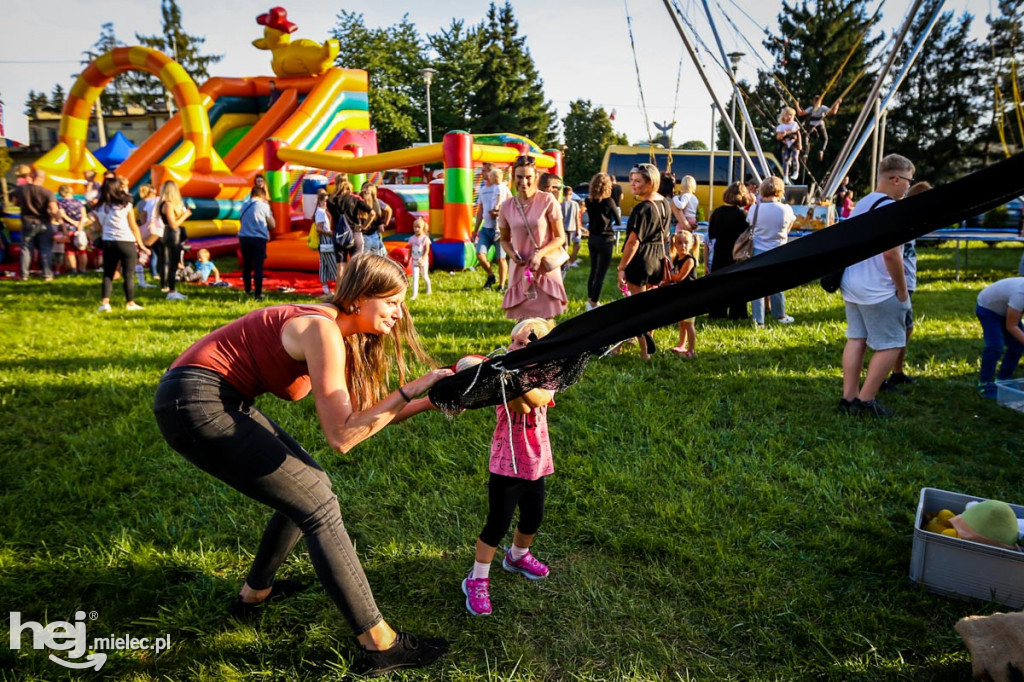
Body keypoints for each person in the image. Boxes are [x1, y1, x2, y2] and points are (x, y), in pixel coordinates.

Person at [152, 254, 452, 676]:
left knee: (310, 489)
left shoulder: (331, 328)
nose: (399, 314)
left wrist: (432, 398)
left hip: (208, 398)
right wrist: (410, 389)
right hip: (196, 402)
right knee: (319, 505)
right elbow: (343, 436)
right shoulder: (322, 328)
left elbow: (362, 417)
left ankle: (254, 595)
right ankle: (379, 642)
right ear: (361, 298)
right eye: (393, 302)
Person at [461, 318, 556, 617]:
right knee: (497, 523)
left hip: (536, 461)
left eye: (522, 344)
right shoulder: (501, 376)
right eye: (512, 341)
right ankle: (476, 579)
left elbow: (536, 400)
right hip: (506, 463)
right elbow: (517, 405)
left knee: (533, 516)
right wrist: (496, 373)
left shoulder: (548, 376)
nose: (513, 347)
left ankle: (517, 556)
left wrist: (511, 376)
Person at [839, 154, 915, 417]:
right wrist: (902, 291)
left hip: (852, 282)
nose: (908, 186)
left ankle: (848, 398)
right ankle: (865, 400)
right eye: (908, 181)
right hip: (879, 288)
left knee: (856, 339)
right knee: (892, 343)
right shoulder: (892, 208)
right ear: (895, 179)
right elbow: (892, 254)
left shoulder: (862, 203)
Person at [498, 156, 568, 322]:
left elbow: (560, 237)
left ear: (536, 177)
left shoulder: (547, 200)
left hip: (544, 268)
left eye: (528, 177)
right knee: (522, 322)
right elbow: (504, 240)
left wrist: (539, 254)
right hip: (521, 269)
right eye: (519, 177)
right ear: (513, 178)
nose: (524, 182)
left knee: (546, 322)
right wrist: (512, 255)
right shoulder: (506, 206)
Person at [617, 162, 671, 360]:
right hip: (657, 257)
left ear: (650, 182)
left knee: (637, 309)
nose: (633, 184)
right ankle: (646, 343)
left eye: (638, 181)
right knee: (649, 307)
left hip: (641, 259)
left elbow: (633, 242)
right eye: (632, 180)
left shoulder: (642, 208)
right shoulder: (665, 203)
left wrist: (622, 267)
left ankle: (645, 353)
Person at [884, 180, 933, 393]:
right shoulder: (902, 218)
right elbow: (891, 255)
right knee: (896, 331)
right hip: (899, 284)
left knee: (905, 328)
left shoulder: (911, 219)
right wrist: (901, 288)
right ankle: (884, 376)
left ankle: (896, 372)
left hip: (906, 282)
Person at [89, 175, 150, 313]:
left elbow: (98, 227)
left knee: (108, 273)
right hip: (126, 241)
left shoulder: (99, 207)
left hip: (108, 242)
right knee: (128, 274)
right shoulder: (125, 205)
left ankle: (105, 302)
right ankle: (130, 302)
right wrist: (141, 245)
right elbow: (133, 226)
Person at [747, 176, 796, 327]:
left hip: (758, 249)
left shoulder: (755, 208)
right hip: (778, 249)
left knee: (757, 287)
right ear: (780, 191)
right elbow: (789, 226)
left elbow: (750, 224)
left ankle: (758, 320)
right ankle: (779, 314)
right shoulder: (786, 209)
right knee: (777, 284)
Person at [706, 182, 752, 320]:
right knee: (737, 283)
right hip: (736, 251)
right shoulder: (742, 214)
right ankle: (737, 313)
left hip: (720, 250)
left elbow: (712, 233)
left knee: (718, 283)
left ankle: (716, 313)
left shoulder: (717, 212)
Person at [975, 277, 1024, 399]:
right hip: (988, 309)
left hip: (1007, 309)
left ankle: (1003, 381)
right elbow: (1011, 326)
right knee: (995, 345)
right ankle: (985, 384)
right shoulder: (1020, 295)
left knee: (1017, 345)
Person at [11, 165, 58, 282]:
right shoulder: (47, 192)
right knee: (45, 249)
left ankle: (24, 275)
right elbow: (54, 210)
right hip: (44, 222)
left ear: (32, 176)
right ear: (44, 178)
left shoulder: (21, 189)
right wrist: (58, 219)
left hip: (27, 222)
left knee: (26, 249)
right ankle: (47, 275)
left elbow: (15, 203)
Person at [584, 172, 621, 311]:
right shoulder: (609, 201)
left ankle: (589, 299)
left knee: (593, 270)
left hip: (592, 237)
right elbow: (617, 219)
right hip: (605, 238)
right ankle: (594, 302)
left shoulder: (588, 201)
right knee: (601, 273)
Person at [473, 167, 511, 290]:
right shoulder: (483, 190)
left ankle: (501, 285)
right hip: (486, 228)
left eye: (485, 171)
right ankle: (491, 275)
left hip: (500, 228)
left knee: (501, 258)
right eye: (482, 171)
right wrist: (475, 230)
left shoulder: (502, 188)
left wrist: (499, 212)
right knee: (479, 254)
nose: (483, 173)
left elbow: (512, 204)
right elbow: (480, 211)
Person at [155, 180, 192, 301]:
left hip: (168, 234)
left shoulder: (163, 204)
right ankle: (171, 291)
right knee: (173, 264)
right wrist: (185, 215)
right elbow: (174, 224)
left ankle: (170, 288)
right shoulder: (168, 204)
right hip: (172, 235)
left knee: (169, 262)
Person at [666, 230, 699, 357]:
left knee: (689, 323)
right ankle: (681, 345)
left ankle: (691, 350)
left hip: (691, 296)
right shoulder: (677, 260)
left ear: (691, 245)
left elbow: (680, 277)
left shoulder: (690, 260)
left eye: (686, 243)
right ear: (675, 245)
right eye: (680, 243)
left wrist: (667, 276)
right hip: (681, 295)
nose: (683, 246)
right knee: (682, 322)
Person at [238, 185, 275, 300]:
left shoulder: (244, 205)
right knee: (258, 266)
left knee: (247, 265)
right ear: (262, 195)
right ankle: (258, 293)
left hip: (244, 237)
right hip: (258, 239)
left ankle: (248, 289)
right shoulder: (264, 206)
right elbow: (272, 224)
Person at [55, 184, 90, 275]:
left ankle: (73, 269)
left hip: (68, 228)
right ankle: (83, 269)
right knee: (82, 249)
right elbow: (84, 215)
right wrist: (80, 225)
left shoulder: (60, 202)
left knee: (70, 250)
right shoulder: (79, 202)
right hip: (80, 228)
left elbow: (62, 215)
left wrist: (72, 222)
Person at [796, 94, 841, 161]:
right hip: (820, 125)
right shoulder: (822, 108)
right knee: (824, 139)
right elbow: (833, 112)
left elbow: (800, 113)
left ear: (813, 102)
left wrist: (797, 105)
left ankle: (805, 154)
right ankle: (821, 150)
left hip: (812, 126)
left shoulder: (811, 108)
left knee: (807, 139)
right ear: (820, 102)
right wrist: (837, 104)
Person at [313, 189, 337, 295]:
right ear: (320, 201)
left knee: (324, 264)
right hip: (326, 240)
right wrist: (329, 234)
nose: (326, 203)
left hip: (325, 239)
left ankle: (325, 288)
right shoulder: (320, 212)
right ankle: (337, 287)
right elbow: (318, 228)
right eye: (324, 201)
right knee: (332, 263)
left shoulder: (323, 211)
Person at [556, 182, 583, 270]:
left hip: (563, 227)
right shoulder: (575, 204)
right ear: (571, 194)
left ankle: (565, 262)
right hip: (573, 227)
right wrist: (578, 228)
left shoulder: (561, 204)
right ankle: (569, 262)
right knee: (573, 244)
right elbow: (576, 218)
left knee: (565, 245)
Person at [359, 184, 389, 257]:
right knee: (373, 261)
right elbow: (381, 229)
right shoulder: (376, 209)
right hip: (375, 238)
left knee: (364, 261)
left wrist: (363, 227)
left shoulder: (359, 213)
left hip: (364, 238)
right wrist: (385, 223)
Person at [407, 217, 432, 300]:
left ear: (423, 228)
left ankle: (429, 289)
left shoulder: (425, 238)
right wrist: (408, 258)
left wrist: (423, 258)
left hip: (423, 261)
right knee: (415, 278)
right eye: (415, 227)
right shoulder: (412, 239)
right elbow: (410, 249)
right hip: (415, 261)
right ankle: (414, 294)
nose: (416, 229)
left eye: (418, 227)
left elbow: (427, 250)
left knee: (425, 276)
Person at [776, 107, 801, 182]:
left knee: (795, 157)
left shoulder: (794, 124)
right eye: (787, 115)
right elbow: (778, 137)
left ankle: (796, 172)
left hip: (794, 143)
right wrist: (783, 134)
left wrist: (800, 144)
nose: (789, 117)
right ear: (783, 116)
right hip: (785, 144)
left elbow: (798, 134)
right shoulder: (781, 126)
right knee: (785, 160)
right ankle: (786, 175)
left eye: (791, 115)